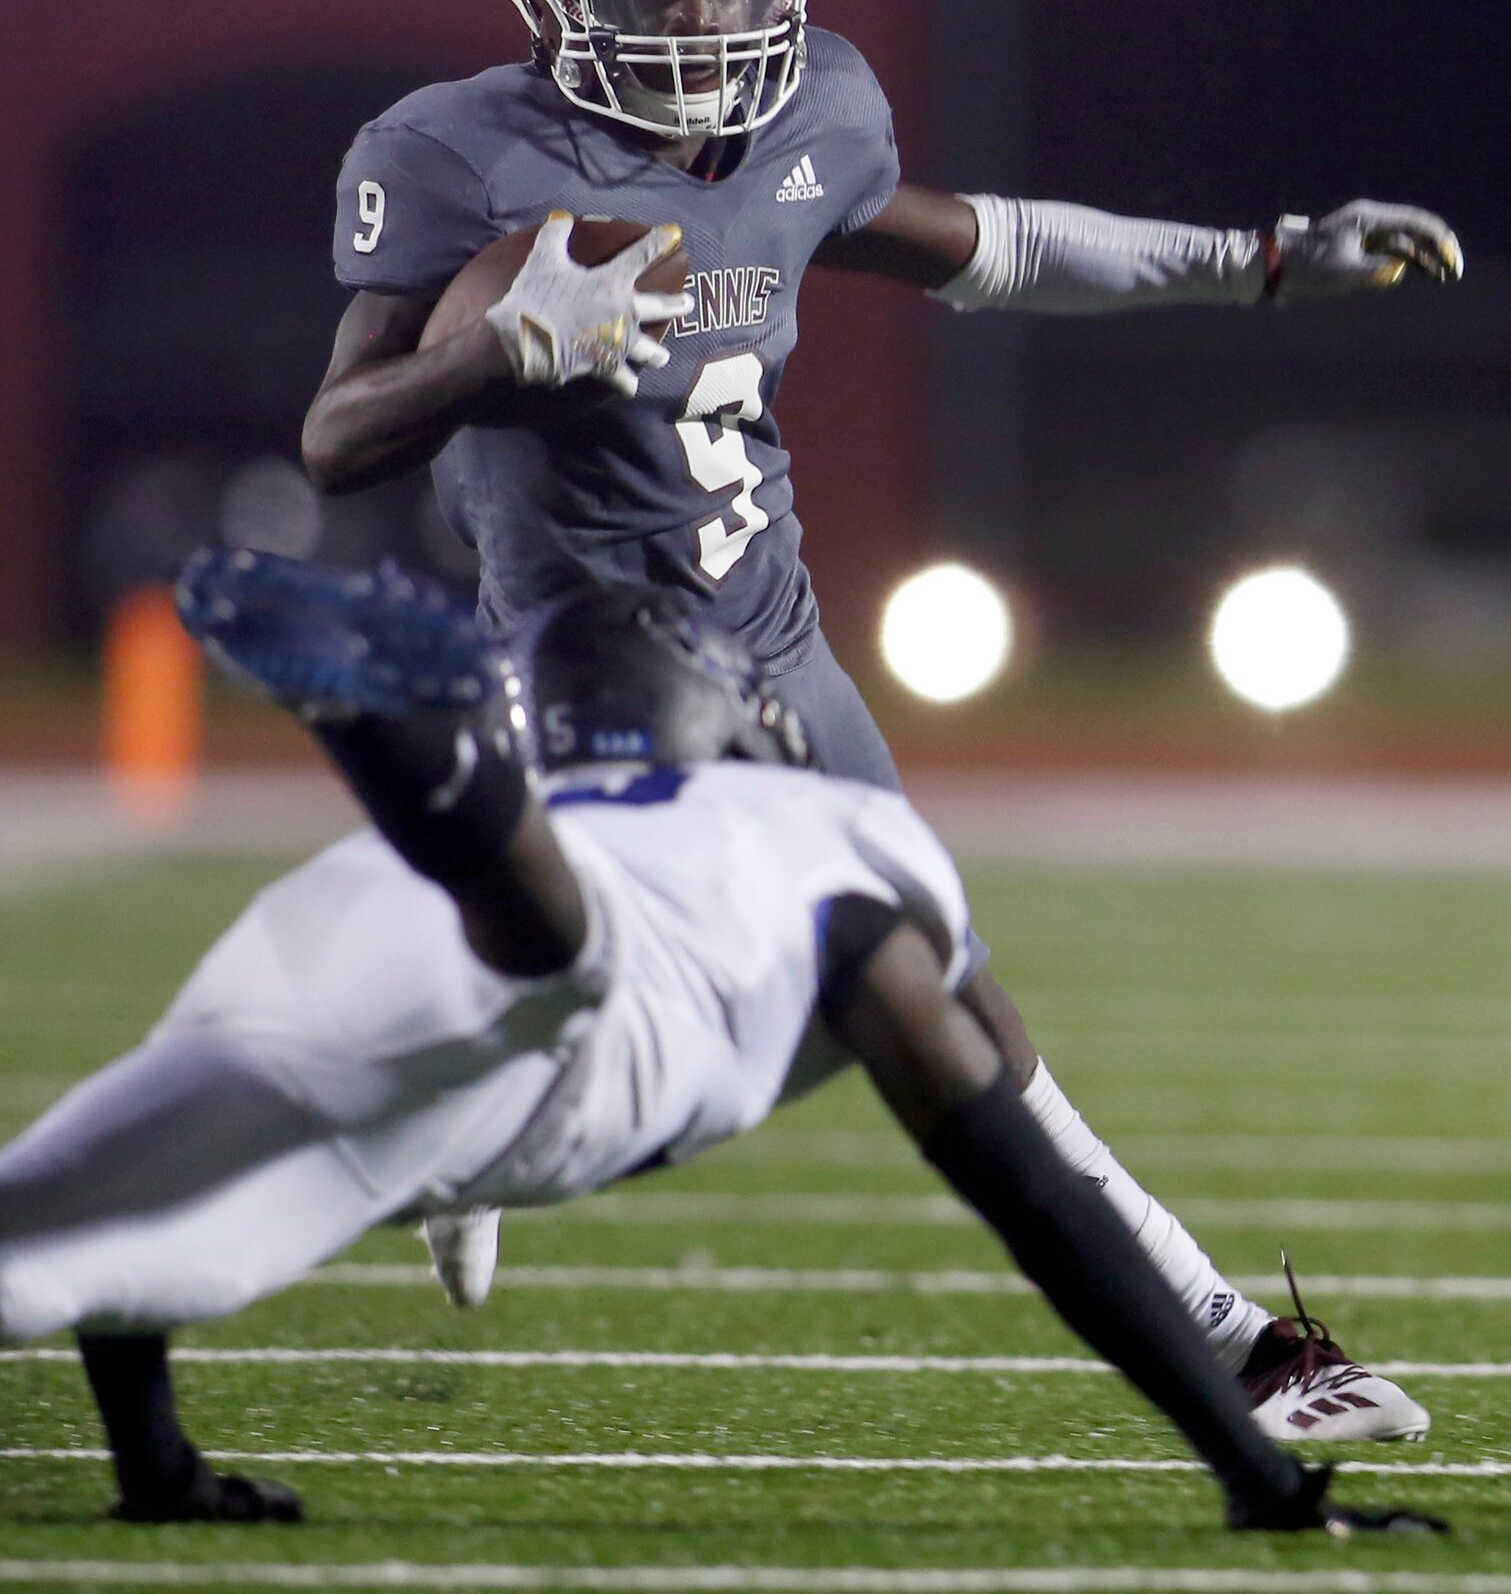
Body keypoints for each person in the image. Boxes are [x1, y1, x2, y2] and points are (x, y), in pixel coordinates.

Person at [303, 0, 1459, 1428]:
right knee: (600, 1022)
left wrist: (1267, 254)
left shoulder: (811, 120)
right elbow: (335, 438)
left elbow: (1001, 246)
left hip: (770, 651)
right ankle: (456, 1127)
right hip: (575, 676)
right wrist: (492, 353)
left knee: (953, 981)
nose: (705, 19)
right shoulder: (455, 160)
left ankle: (1241, 1344)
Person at [0, 550, 1447, 1536]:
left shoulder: (458, 848)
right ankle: (427, 766)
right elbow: (1024, 1182)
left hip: (343, 911)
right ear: (735, 712)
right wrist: (1255, 1474)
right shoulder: (827, 830)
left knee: (94, 1188)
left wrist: (159, 1468)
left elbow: (159, 1142)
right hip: (587, 1006)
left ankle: (425, 770)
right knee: (554, 966)